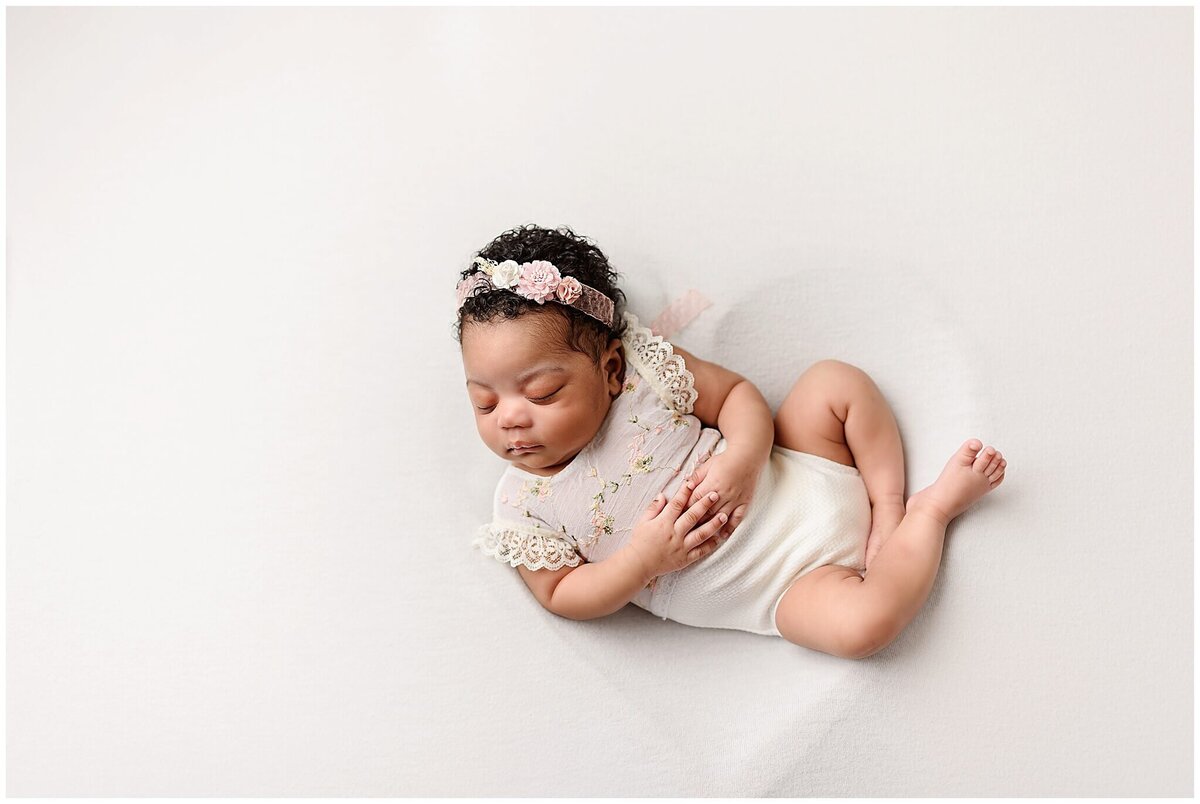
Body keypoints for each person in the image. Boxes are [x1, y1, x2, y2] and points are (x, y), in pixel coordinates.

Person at [453, 224, 1007, 660]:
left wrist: (743, 458)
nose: (510, 420)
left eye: (544, 392)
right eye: (485, 402)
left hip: (794, 468)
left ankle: (888, 508)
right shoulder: (521, 508)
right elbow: (562, 595)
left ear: (611, 369)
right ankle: (929, 513)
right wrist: (643, 561)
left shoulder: (646, 376)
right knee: (863, 628)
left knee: (833, 382)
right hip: (782, 585)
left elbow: (737, 395)